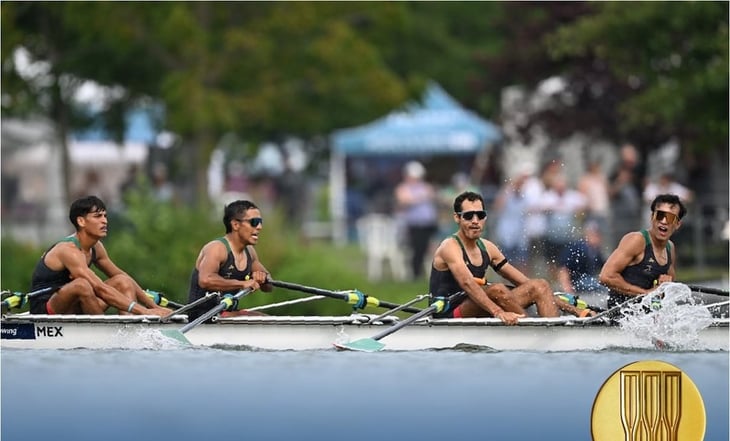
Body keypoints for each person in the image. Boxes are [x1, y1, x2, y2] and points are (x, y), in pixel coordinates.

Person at [429, 191, 594, 325]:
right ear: (457, 218)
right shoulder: (449, 247)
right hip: (450, 312)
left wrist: (574, 310)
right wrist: (499, 312)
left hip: (482, 305)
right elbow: (467, 284)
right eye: (468, 216)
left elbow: (524, 283)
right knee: (497, 289)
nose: (475, 221)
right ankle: (532, 330)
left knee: (540, 285)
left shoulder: (488, 247)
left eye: (480, 215)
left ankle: (553, 331)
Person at [28, 195, 171, 316]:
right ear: (81, 221)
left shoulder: (96, 247)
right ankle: (103, 333)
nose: (105, 221)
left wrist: (153, 307)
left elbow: (123, 277)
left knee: (122, 281)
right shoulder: (68, 250)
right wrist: (144, 311)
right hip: (47, 307)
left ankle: (131, 330)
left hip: (78, 304)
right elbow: (99, 288)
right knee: (82, 285)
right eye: (97, 216)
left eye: (105, 216)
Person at [187, 200, 273, 320]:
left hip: (225, 315)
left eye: (260, 222)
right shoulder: (216, 248)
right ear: (235, 225)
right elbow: (205, 280)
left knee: (264, 319)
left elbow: (269, 286)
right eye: (254, 222)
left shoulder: (250, 252)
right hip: (202, 317)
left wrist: (263, 278)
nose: (259, 227)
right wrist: (242, 283)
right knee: (259, 319)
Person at [599, 193, 686, 308]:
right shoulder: (636, 240)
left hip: (645, 318)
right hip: (621, 316)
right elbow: (606, 277)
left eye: (670, 218)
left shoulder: (670, 248)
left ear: (677, 224)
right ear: (652, 217)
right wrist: (646, 294)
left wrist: (664, 288)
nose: (664, 221)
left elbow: (660, 294)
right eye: (660, 215)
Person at [394, 161, 439, 280]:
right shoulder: (403, 188)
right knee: (417, 249)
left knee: (429, 248)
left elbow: (433, 196)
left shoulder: (425, 187)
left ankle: (433, 273)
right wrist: (421, 197)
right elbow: (404, 201)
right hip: (415, 224)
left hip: (428, 223)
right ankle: (416, 274)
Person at [557, 221, 609, 296]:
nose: (597, 238)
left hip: (589, 280)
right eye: (594, 235)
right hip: (577, 282)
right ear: (587, 235)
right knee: (601, 287)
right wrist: (567, 287)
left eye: (598, 235)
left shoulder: (595, 251)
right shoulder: (578, 248)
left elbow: (604, 265)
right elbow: (563, 268)